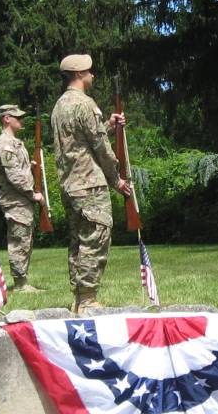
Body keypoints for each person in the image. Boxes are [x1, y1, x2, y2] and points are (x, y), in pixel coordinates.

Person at [51, 54, 130, 313]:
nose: (93, 75)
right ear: (79, 74)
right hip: (89, 184)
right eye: (90, 71)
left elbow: (79, 142)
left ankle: (78, 297)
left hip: (70, 184)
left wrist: (107, 124)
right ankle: (87, 300)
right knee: (96, 237)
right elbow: (101, 149)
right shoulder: (85, 104)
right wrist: (116, 179)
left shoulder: (60, 106)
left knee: (78, 241)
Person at [0, 104, 45, 292]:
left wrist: (30, 166)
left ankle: (22, 281)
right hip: (16, 201)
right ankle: (20, 284)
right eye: (17, 117)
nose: (20, 120)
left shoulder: (14, 142)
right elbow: (13, 176)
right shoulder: (5, 144)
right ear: (7, 118)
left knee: (25, 240)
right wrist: (33, 194)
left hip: (21, 201)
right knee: (19, 241)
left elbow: (18, 169)